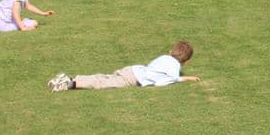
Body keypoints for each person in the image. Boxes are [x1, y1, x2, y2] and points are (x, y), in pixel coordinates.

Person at [48, 41, 201, 92]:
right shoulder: (174, 67)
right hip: (134, 78)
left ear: (171, 51)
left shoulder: (164, 57)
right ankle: (69, 84)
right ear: (185, 61)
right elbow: (167, 80)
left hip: (132, 69)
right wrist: (187, 78)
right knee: (104, 83)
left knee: (104, 77)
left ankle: (71, 78)